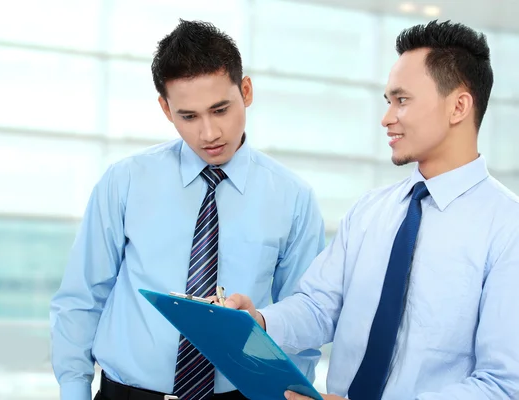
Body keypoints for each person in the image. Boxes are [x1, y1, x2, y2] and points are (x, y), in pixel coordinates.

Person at [224, 20, 519, 400]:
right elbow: (319, 306)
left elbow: (502, 384)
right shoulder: (370, 210)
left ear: (459, 106)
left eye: (402, 100)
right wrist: (260, 321)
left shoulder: (508, 227)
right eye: (387, 101)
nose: (386, 118)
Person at [50, 19, 326, 400]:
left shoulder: (293, 197)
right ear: (166, 109)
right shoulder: (125, 182)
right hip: (127, 394)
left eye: (220, 109)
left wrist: (291, 392)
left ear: (245, 91)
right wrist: (74, 390)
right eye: (189, 116)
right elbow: (82, 298)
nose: (209, 133)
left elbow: (303, 314)